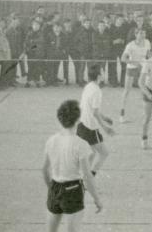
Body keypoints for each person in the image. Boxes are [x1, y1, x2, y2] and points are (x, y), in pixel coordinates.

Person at [43, 99, 102, 232]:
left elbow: (44, 170)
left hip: (54, 186)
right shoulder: (81, 144)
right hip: (73, 189)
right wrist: (97, 199)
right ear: (78, 120)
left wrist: (51, 189)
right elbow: (87, 176)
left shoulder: (51, 141)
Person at [77, 65, 115, 176]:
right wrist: (105, 128)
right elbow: (94, 113)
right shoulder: (97, 91)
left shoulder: (88, 86)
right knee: (104, 153)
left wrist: (104, 117)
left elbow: (91, 109)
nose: (104, 73)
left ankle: (83, 178)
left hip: (82, 124)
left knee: (92, 153)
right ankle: (89, 177)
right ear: (99, 76)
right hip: (90, 128)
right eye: (103, 72)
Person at [119, 29, 150, 123]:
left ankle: (146, 114)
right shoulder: (130, 45)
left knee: (144, 90)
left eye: (144, 33)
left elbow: (148, 55)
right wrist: (135, 63)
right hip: (131, 68)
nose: (142, 35)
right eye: (140, 33)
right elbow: (123, 58)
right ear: (135, 35)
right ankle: (122, 115)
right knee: (127, 91)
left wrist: (146, 63)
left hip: (143, 68)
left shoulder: (148, 42)